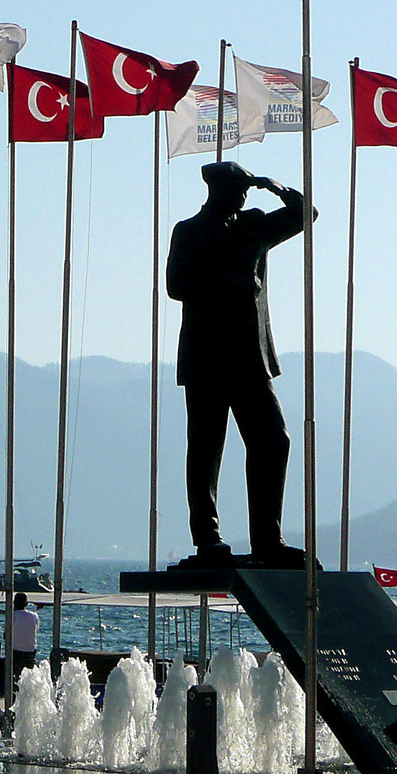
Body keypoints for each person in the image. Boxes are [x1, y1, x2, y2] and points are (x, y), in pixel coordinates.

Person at [166, 161, 314, 569]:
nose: (243, 196)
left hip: (250, 356)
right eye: (238, 189)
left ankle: (268, 539)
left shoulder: (254, 227)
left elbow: (307, 213)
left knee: (273, 441)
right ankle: (208, 539)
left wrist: (275, 186)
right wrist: (229, 282)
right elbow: (176, 284)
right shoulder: (189, 230)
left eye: (246, 190)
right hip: (206, 357)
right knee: (206, 450)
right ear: (217, 191)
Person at [11, 591, 40, 675]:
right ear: (26, 604)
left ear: (14, 603)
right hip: (30, 652)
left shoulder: (12, 616)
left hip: (16, 652)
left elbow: (7, 635)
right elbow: (35, 629)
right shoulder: (34, 616)